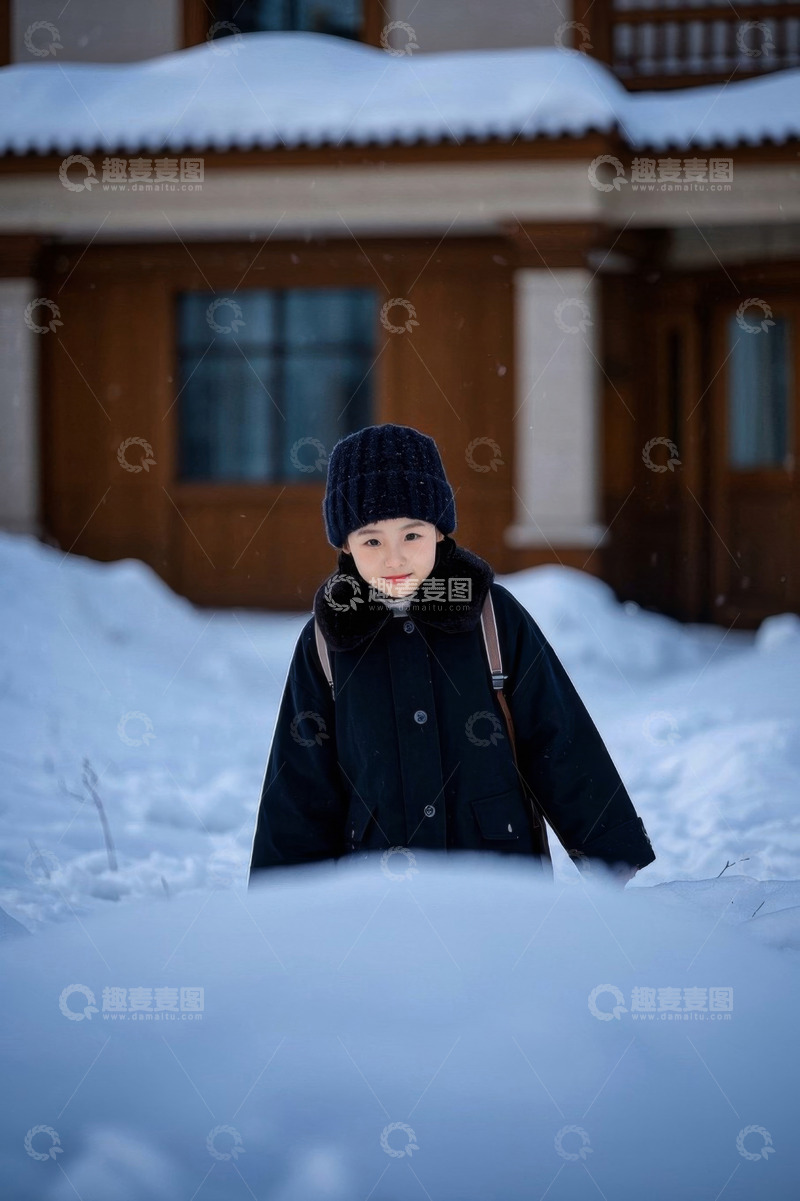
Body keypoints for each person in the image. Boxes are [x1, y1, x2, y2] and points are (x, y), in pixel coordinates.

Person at [248, 423, 655, 886]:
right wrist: (278, 895)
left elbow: (558, 737)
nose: (395, 558)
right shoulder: (329, 638)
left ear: (439, 532)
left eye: (412, 535)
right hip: (377, 888)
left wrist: (609, 850)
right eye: (372, 540)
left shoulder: (492, 618)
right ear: (345, 544)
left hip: (497, 875)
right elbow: (301, 779)